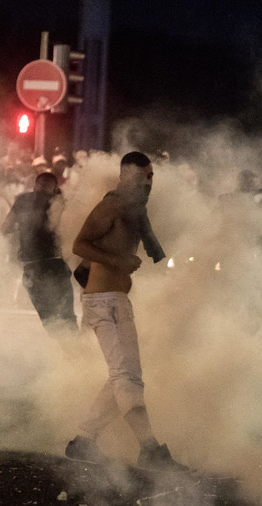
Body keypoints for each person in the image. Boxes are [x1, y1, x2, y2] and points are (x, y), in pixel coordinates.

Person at [65, 151, 187, 471]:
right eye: (146, 177)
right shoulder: (111, 206)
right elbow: (80, 244)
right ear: (129, 177)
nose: (150, 183)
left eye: (152, 177)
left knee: (123, 377)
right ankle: (150, 450)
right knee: (126, 378)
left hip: (116, 301)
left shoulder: (134, 210)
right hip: (104, 302)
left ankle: (84, 441)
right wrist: (118, 262)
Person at [1, 172, 78, 336]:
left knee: (49, 319)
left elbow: (5, 228)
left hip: (33, 267)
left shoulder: (23, 200)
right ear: (54, 187)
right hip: (55, 265)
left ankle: (68, 352)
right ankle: (76, 354)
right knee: (67, 316)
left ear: (36, 184)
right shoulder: (59, 202)